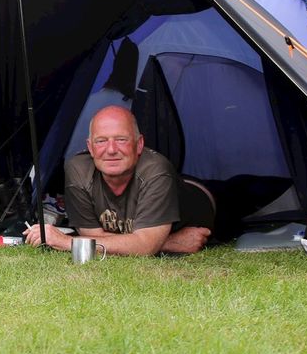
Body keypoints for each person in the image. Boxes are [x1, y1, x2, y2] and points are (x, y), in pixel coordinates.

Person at [23, 105, 212, 255]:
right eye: (101, 141)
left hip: (204, 197)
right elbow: (94, 237)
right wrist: (169, 243)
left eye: (121, 139)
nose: (111, 149)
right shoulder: (78, 169)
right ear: (90, 147)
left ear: (139, 145)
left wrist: (66, 242)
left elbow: (145, 247)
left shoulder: (156, 171)